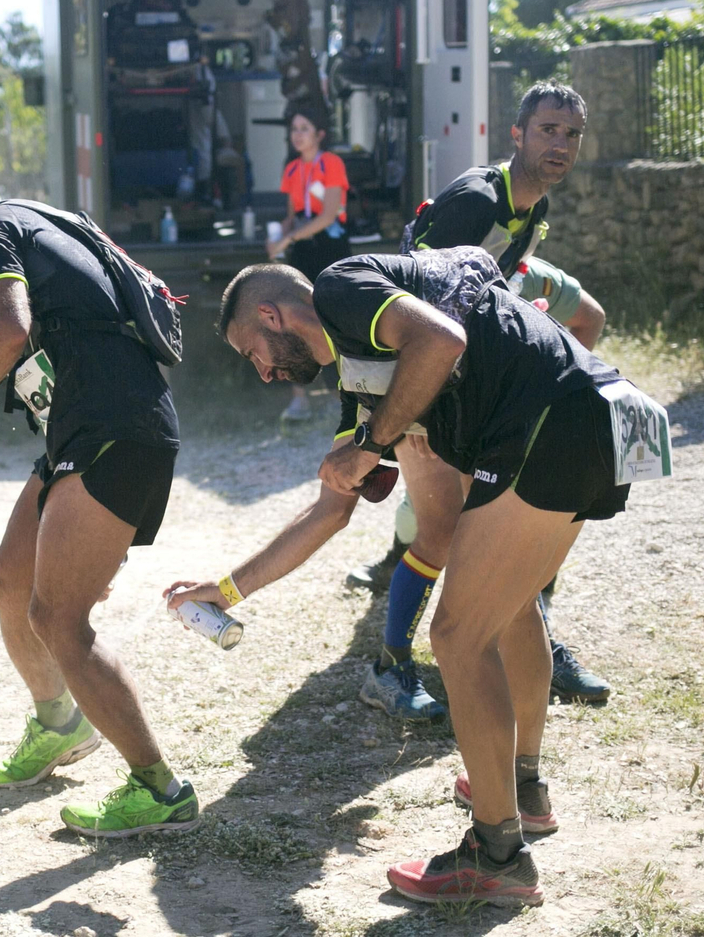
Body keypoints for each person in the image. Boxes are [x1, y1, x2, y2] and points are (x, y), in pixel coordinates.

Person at [172, 246, 660, 904]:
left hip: (556, 416)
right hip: (596, 417)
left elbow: (441, 337)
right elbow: (328, 511)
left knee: (458, 635)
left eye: (252, 350)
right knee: (510, 610)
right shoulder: (360, 379)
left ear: (271, 313)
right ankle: (523, 792)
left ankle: (498, 854)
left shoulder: (343, 290)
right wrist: (226, 588)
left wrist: (373, 442)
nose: (262, 372)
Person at [0, 183, 198, 838]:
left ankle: (161, 788)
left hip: (111, 427)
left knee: (58, 618)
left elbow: (4, 329)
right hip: (92, 426)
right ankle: (60, 723)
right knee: (10, 578)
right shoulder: (54, 223)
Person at [351, 81, 613, 715]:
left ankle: (537, 649)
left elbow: (484, 297)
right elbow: (418, 298)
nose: (561, 143)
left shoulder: (532, 206)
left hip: (478, 384)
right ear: (517, 134)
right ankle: (388, 669)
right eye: (548, 129)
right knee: (441, 528)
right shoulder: (477, 199)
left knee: (534, 512)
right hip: (427, 385)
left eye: (571, 134)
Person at [266, 106, 349, 423]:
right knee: (296, 320)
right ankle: (300, 397)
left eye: (304, 128)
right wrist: (279, 238)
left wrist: (289, 238)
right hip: (302, 250)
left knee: (330, 322)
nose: (298, 135)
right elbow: (292, 215)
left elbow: (328, 215)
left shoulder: (331, 164)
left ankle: (336, 396)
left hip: (330, 250)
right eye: (294, 129)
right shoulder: (291, 169)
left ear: (319, 135)